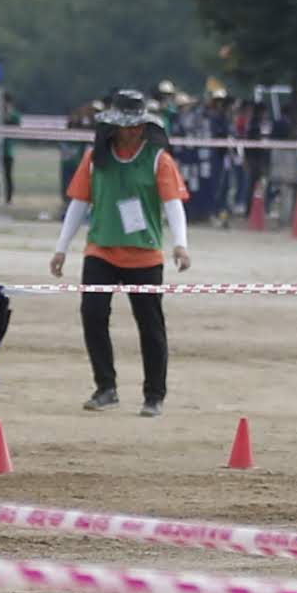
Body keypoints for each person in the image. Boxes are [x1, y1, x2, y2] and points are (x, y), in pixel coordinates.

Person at [51, 87, 192, 415]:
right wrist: (61, 249)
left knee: (150, 324)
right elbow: (78, 204)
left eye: (137, 125)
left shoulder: (159, 160)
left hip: (144, 254)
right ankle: (106, 386)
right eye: (126, 125)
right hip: (101, 250)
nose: (132, 131)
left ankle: (154, 395)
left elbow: (173, 204)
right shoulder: (94, 159)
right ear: (113, 125)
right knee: (93, 315)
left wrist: (180, 245)